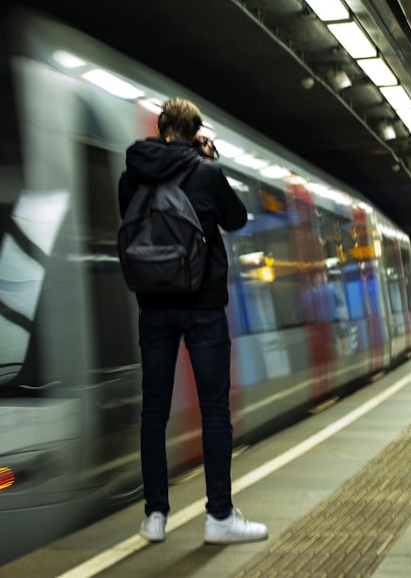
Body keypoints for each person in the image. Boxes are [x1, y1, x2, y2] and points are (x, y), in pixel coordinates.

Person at [118, 97, 268, 545]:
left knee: (154, 412)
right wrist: (208, 161)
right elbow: (237, 219)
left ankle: (155, 517)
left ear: (162, 129)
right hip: (202, 306)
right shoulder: (206, 172)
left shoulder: (132, 175)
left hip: (153, 307)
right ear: (196, 131)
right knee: (214, 410)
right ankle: (219, 517)